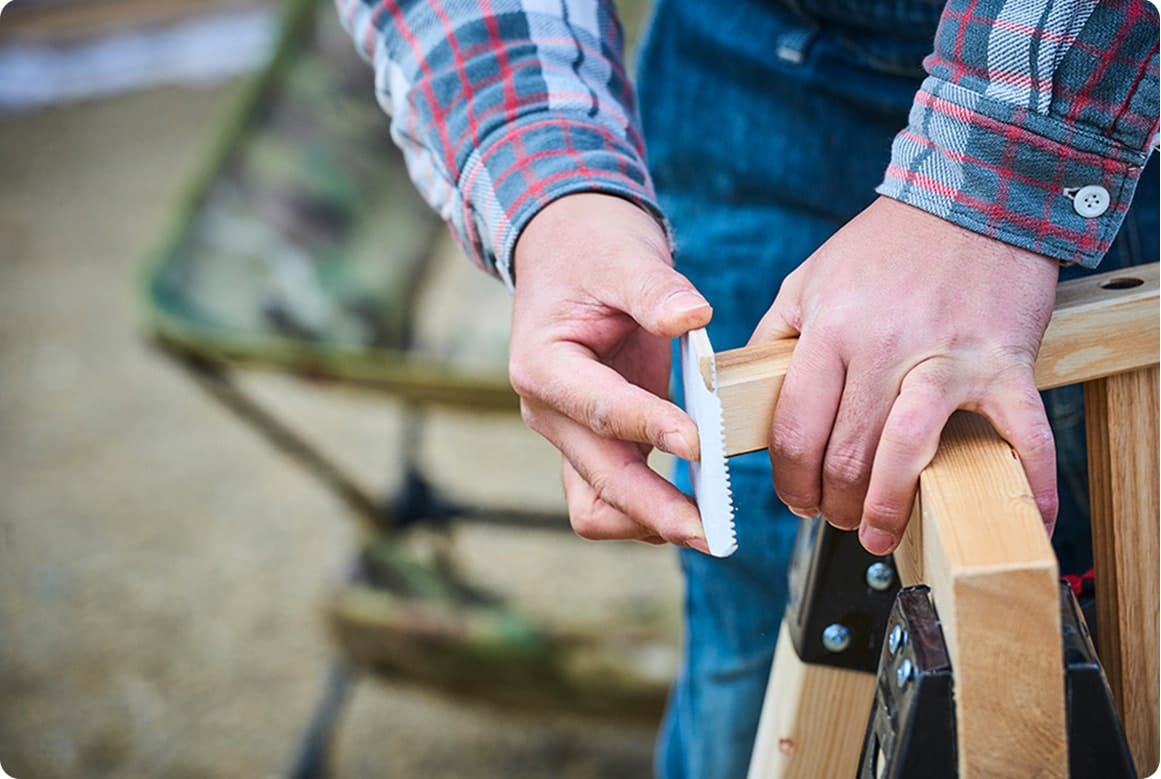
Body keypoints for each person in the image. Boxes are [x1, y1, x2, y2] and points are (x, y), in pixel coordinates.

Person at [336, 0, 1160, 775]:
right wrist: (552, 187)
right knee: (759, 619)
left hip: (1115, 89)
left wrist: (997, 174)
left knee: (1106, 656)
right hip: (755, 65)